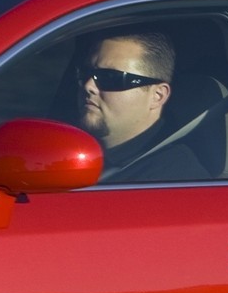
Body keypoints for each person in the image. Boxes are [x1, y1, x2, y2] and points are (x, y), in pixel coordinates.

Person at [73, 31, 218, 183]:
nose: (88, 86)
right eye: (85, 73)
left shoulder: (174, 181)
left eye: (110, 78)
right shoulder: (76, 155)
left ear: (158, 96)